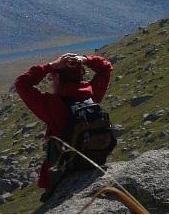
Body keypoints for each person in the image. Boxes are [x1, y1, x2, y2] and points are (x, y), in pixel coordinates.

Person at [14, 52, 113, 198]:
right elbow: (105, 67)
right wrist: (86, 60)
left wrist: (50, 66)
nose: (51, 81)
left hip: (64, 173)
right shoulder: (92, 95)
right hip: (94, 162)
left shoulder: (52, 105)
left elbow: (21, 83)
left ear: (58, 78)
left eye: (51, 77)